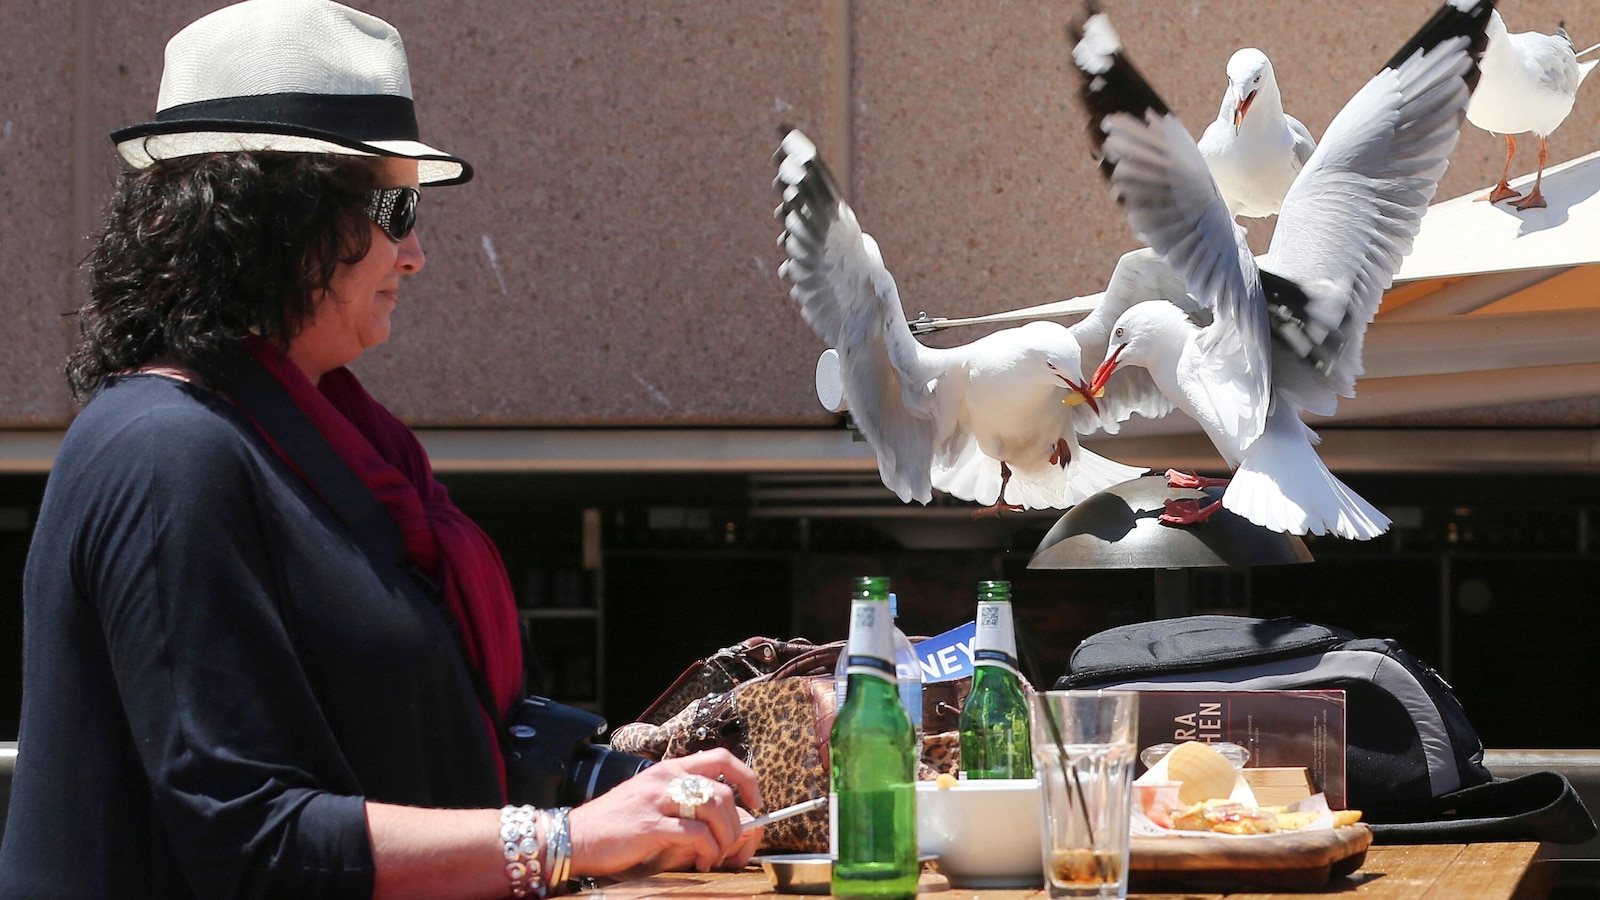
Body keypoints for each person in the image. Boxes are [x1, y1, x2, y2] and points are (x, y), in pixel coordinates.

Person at [0, 1, 763, 897]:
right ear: (273, 216)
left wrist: (631, 772)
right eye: (395, 207)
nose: (415, 253)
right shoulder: (165, 453)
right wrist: (564, 838)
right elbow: (249, 837)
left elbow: (426, 723)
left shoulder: (315, 440)